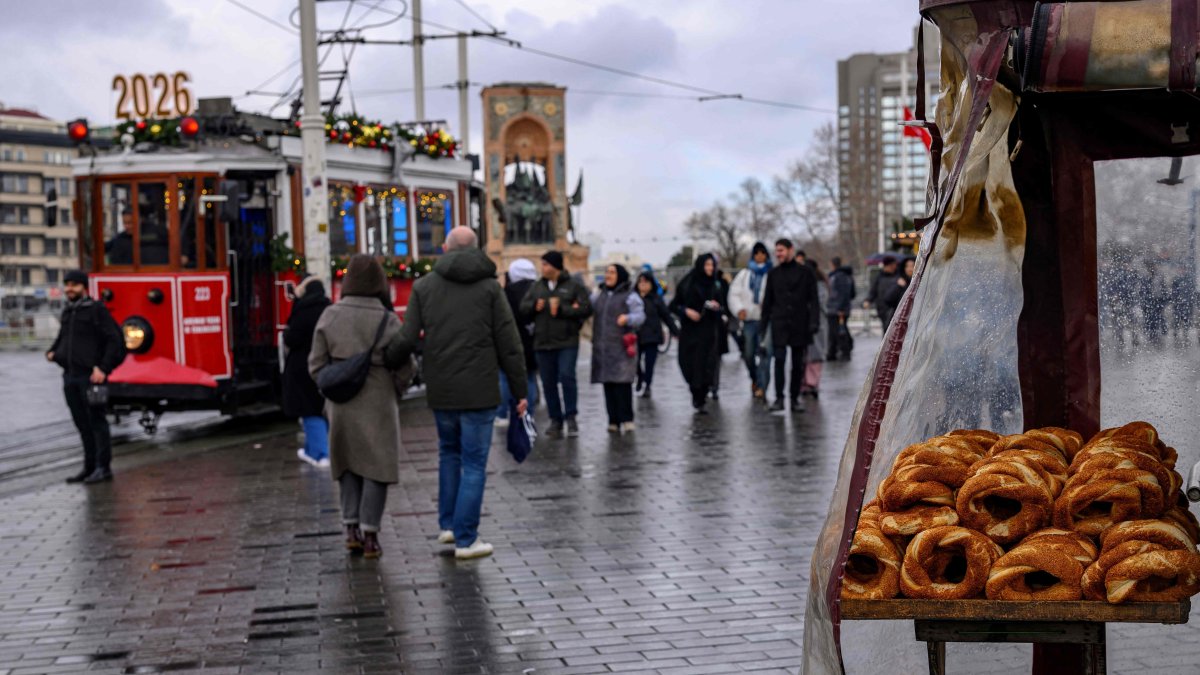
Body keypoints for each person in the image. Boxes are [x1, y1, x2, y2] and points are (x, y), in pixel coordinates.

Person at [385, 227, 527, 560]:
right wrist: (519, 390)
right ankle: (467, 539)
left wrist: (386, 360)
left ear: (445, 248)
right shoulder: (491, 287)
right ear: (475, 249)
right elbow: (509, 343)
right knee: (475, 464)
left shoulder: (424, 286)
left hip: (442, 388)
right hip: (479, 389)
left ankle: (448, 526)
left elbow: (407, 337)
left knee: (448, 454)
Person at [309, 255, 403, 560]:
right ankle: (371, 535)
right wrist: (396, 387)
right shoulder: (387, 319)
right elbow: (405, 365)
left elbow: (316, 365)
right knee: (377, 465)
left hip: (341, 402)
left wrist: (333, 381)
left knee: (347, 463)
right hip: (378, 397)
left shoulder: (330, 315)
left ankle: (350, 529)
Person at [46, 269, 126, 484]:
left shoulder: (96, 310)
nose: (70, 288)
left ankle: (103, 468)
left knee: (97, 421)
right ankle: (89, 467)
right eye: (67, 284)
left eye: (75, 284)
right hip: (70, 377)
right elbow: (63, 338)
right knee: (82, 423)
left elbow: (116, 341)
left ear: (84, 288)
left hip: (92, 379)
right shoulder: (68, 312)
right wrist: (53, 351)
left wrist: (103, 368)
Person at [519, 250, 593, 439]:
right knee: (548, 382)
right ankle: (556, 419)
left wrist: (563, 309)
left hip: (567, 341)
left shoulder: (573, 286)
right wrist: (534, 306)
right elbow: (523, 308)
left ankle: (571, 416)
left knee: (567, 376)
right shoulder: (537, 287)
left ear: (555, 266)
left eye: (545, 264)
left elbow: (586, 308)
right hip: (543, 342)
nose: (542, 268)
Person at [761, 238, 820, 413]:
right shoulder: (773, 274)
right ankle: (779, 398)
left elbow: (814, 300)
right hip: (779, 324)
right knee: (778, 361)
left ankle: (794, 398)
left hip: (800, 324)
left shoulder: (806, 272)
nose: (778, 254)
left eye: (781, 250)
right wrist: (763, 327)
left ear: (791, 250)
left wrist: (814, 322)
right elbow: (767, 303)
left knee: (797, 363)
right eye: (776, 251)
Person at [282, 274, 331, 467]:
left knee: (309, 410)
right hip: (324, 365)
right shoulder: (329, 309)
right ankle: (312, 450)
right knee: (321, 408)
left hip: (302, 367)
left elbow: (291, 338)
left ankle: (320, 453)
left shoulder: (303, 310)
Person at [591, 264, 645, 433]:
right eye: (607, 272)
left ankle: (627, 419)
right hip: (603, 348)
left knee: (622, 384)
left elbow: (640, 316)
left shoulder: (630, 296)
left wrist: (628, 318)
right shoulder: (600, 295)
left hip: (622, 347)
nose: (608, 275)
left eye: (612, 272)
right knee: (608, 384)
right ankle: (612, 420)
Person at [670, 253, 726, 414]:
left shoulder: (715, 285)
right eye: (707, 265)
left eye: (712, 265)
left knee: (707, 365)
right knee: (689, 364)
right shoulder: (687, 283)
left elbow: (722, 307)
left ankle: (701, 397)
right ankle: (695, 392)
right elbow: (674, 305)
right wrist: (686, 311)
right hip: (690, 331)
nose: (710, 268)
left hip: (709, 331)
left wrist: (716, 307)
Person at [495, 259, 540, 427]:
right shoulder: (537, 290)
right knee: (529, 378)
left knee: (505, 378)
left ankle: (503, 414)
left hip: (509, 342)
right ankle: (528, 414)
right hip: (532, 341)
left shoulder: (507, 292)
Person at [727, 241, 773, 399]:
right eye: (757, 253)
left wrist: (768, 306)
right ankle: (754, 378)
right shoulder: (744, 274)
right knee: (748, 353)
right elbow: (734, 293)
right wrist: (739, 309)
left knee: (765, 354)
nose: (760, 256)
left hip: (766, 321)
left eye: (762, 253)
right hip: (749, 321)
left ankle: (762, 385)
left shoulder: (771, 274)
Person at [635, 271, 677, 399]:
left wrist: (675, 331)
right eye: (640, 282)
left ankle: (648, 385)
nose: (642, 284)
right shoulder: (633, 298)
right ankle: (640, 376)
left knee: (650, 362)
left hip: (652, 335)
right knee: (634, 361)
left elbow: (666, 316)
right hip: (636, 335)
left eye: (645, 282)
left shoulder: (656, 299)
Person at [801, 260, 829, 399]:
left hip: (818, 324)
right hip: (806, 324)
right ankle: (806, 383)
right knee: (806, 354)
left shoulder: (820, 286)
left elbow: (821, 303)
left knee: (815, 354)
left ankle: (812, 383)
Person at [825, 257, 856, 361]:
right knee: (839, 330)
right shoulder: (846, 276)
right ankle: (834, 352)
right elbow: (851, 294)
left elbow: (844, 293)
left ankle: (843, 351)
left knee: (839, 331)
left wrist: (840, 308)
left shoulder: (838, 277)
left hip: (837, 309)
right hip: (838, 308)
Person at [865, 255, 901, 332]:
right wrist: (868, 300)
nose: (894, 267)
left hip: (896, 308)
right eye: (892, 265)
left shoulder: (899, 276)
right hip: (882, 308)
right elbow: (873, 291)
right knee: (886, 329)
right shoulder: (879, 277)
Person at [883, 257, 916, 321]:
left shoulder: (922, 282)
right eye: (907, 266)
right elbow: (887, 299)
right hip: (900, 320)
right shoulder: (899, 280)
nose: (909, 269)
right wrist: (898, 286)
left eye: (912, 266)